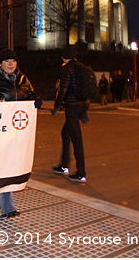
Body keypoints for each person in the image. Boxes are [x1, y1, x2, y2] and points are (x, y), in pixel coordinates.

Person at [0, 49, 42, 218]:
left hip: (17, 131)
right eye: (6, 61)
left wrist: (36, 100)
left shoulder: (23, 79)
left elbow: (30, 94)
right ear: (0, 64)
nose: (10, 64)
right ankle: (7, 206)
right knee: (4, 166)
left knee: (7, 165)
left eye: (13, 61)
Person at [51, 46, 89, 183]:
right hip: (81, 106)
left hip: (72, 108)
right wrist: (85, 109)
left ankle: (81, 172)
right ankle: (64, 165)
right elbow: (87, 88)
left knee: (77, 140)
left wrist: (57, 106)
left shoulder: (67, 69)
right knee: (65, 133)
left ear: (64, 57)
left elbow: (64, 89)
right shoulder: (82, 68)